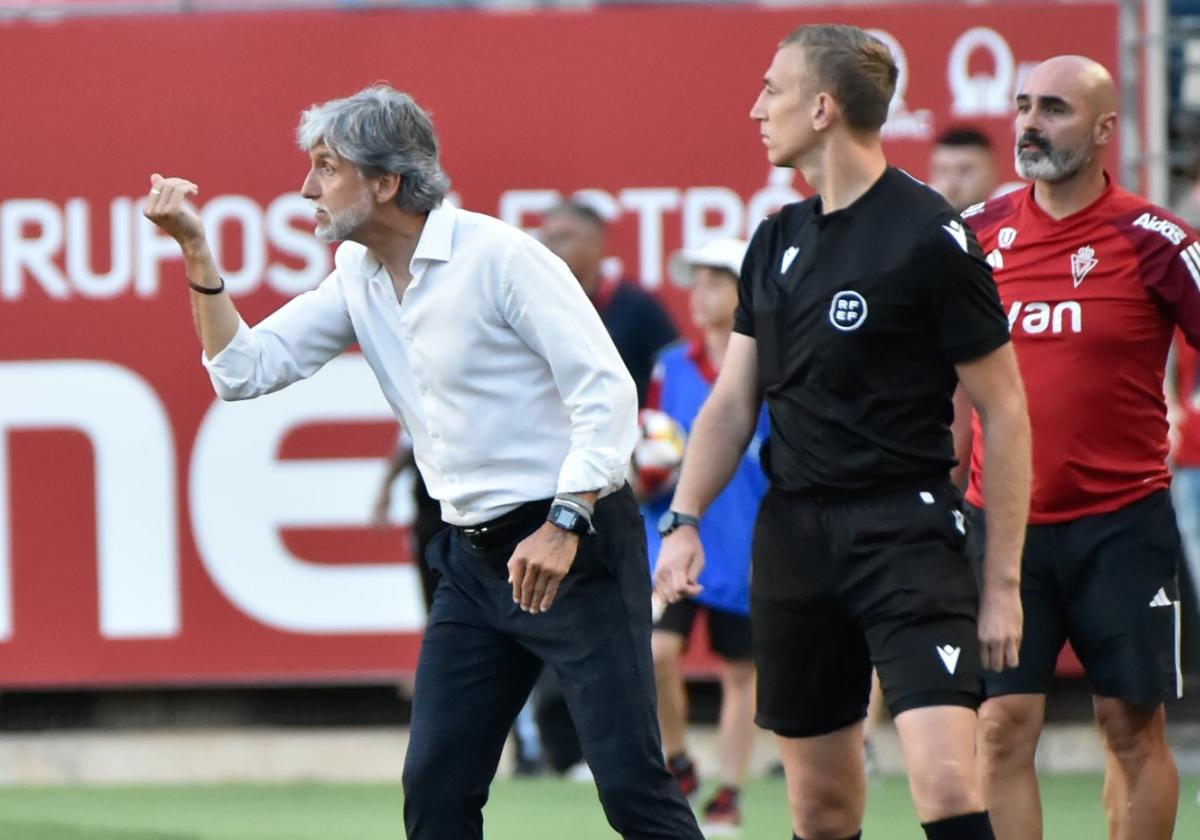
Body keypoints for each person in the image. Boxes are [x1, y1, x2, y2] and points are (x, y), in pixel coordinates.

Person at [143, 84, 703, 840]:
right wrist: (196, 250)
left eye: (326, 167)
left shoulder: (502, 256)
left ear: (386, 182)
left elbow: (606, 394)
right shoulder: (357, 272)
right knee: (435, 793)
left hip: (573, 546)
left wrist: (566, 520)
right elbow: (243, 371)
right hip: (470, 565)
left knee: (632, 788)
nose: (307, 188)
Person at [654, 24, 1031, 840]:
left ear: (822, 108)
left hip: (908, 534)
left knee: (943, 782)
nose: (756, 109)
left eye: (771, 91)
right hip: (794, 537)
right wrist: (682, 521)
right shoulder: (775, 240)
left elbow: (1005, 410)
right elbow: (731, 404)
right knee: (820, 810)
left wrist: (1001, 582)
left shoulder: (933, 236)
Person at [960, 55, 1198, 840]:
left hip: (1121, 524)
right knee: (999, 727)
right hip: (1001, 528)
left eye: (1054, 109)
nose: (1030, 123)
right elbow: (929, 376)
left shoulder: (1157, 240)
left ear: (1104, 130)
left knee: (1131, 729)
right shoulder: (974, 238)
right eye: (1024, 105)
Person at [534, 198, 680, 777]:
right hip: (544, 488)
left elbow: (674, 389)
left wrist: (655, 461)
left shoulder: (637, 310)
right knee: (541, 610)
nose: (551, 245)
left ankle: (627, 753)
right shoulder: (531, 301)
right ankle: (555, 752)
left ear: (600, 245)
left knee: (614, 622)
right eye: (546, 234)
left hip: (622, 492)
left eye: (566, 235)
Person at [644, 238, 768, 834]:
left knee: (741, 673)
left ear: (746, 292)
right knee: (656, 651)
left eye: (715, 281)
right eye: (696, 282)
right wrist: (648, 469)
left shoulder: (773, 363)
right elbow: (650, 441)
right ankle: (678, 756)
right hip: (676, 533)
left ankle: (730, 792)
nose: (700, 294)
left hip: (747, 542)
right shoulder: (670, 365)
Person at [541, 200, 679, 406]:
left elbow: (677, 374)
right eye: (546, 239)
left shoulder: (638, 306)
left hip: (630, 432)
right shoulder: (537, 308)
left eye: (564, 238)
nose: (550, 249)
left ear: (596, 243)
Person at [928, 127, 998, 214]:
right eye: (942, 170)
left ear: (990, 172)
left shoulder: (1013, 225)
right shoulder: (915, 225)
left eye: (964, 170)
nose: (951, 184)